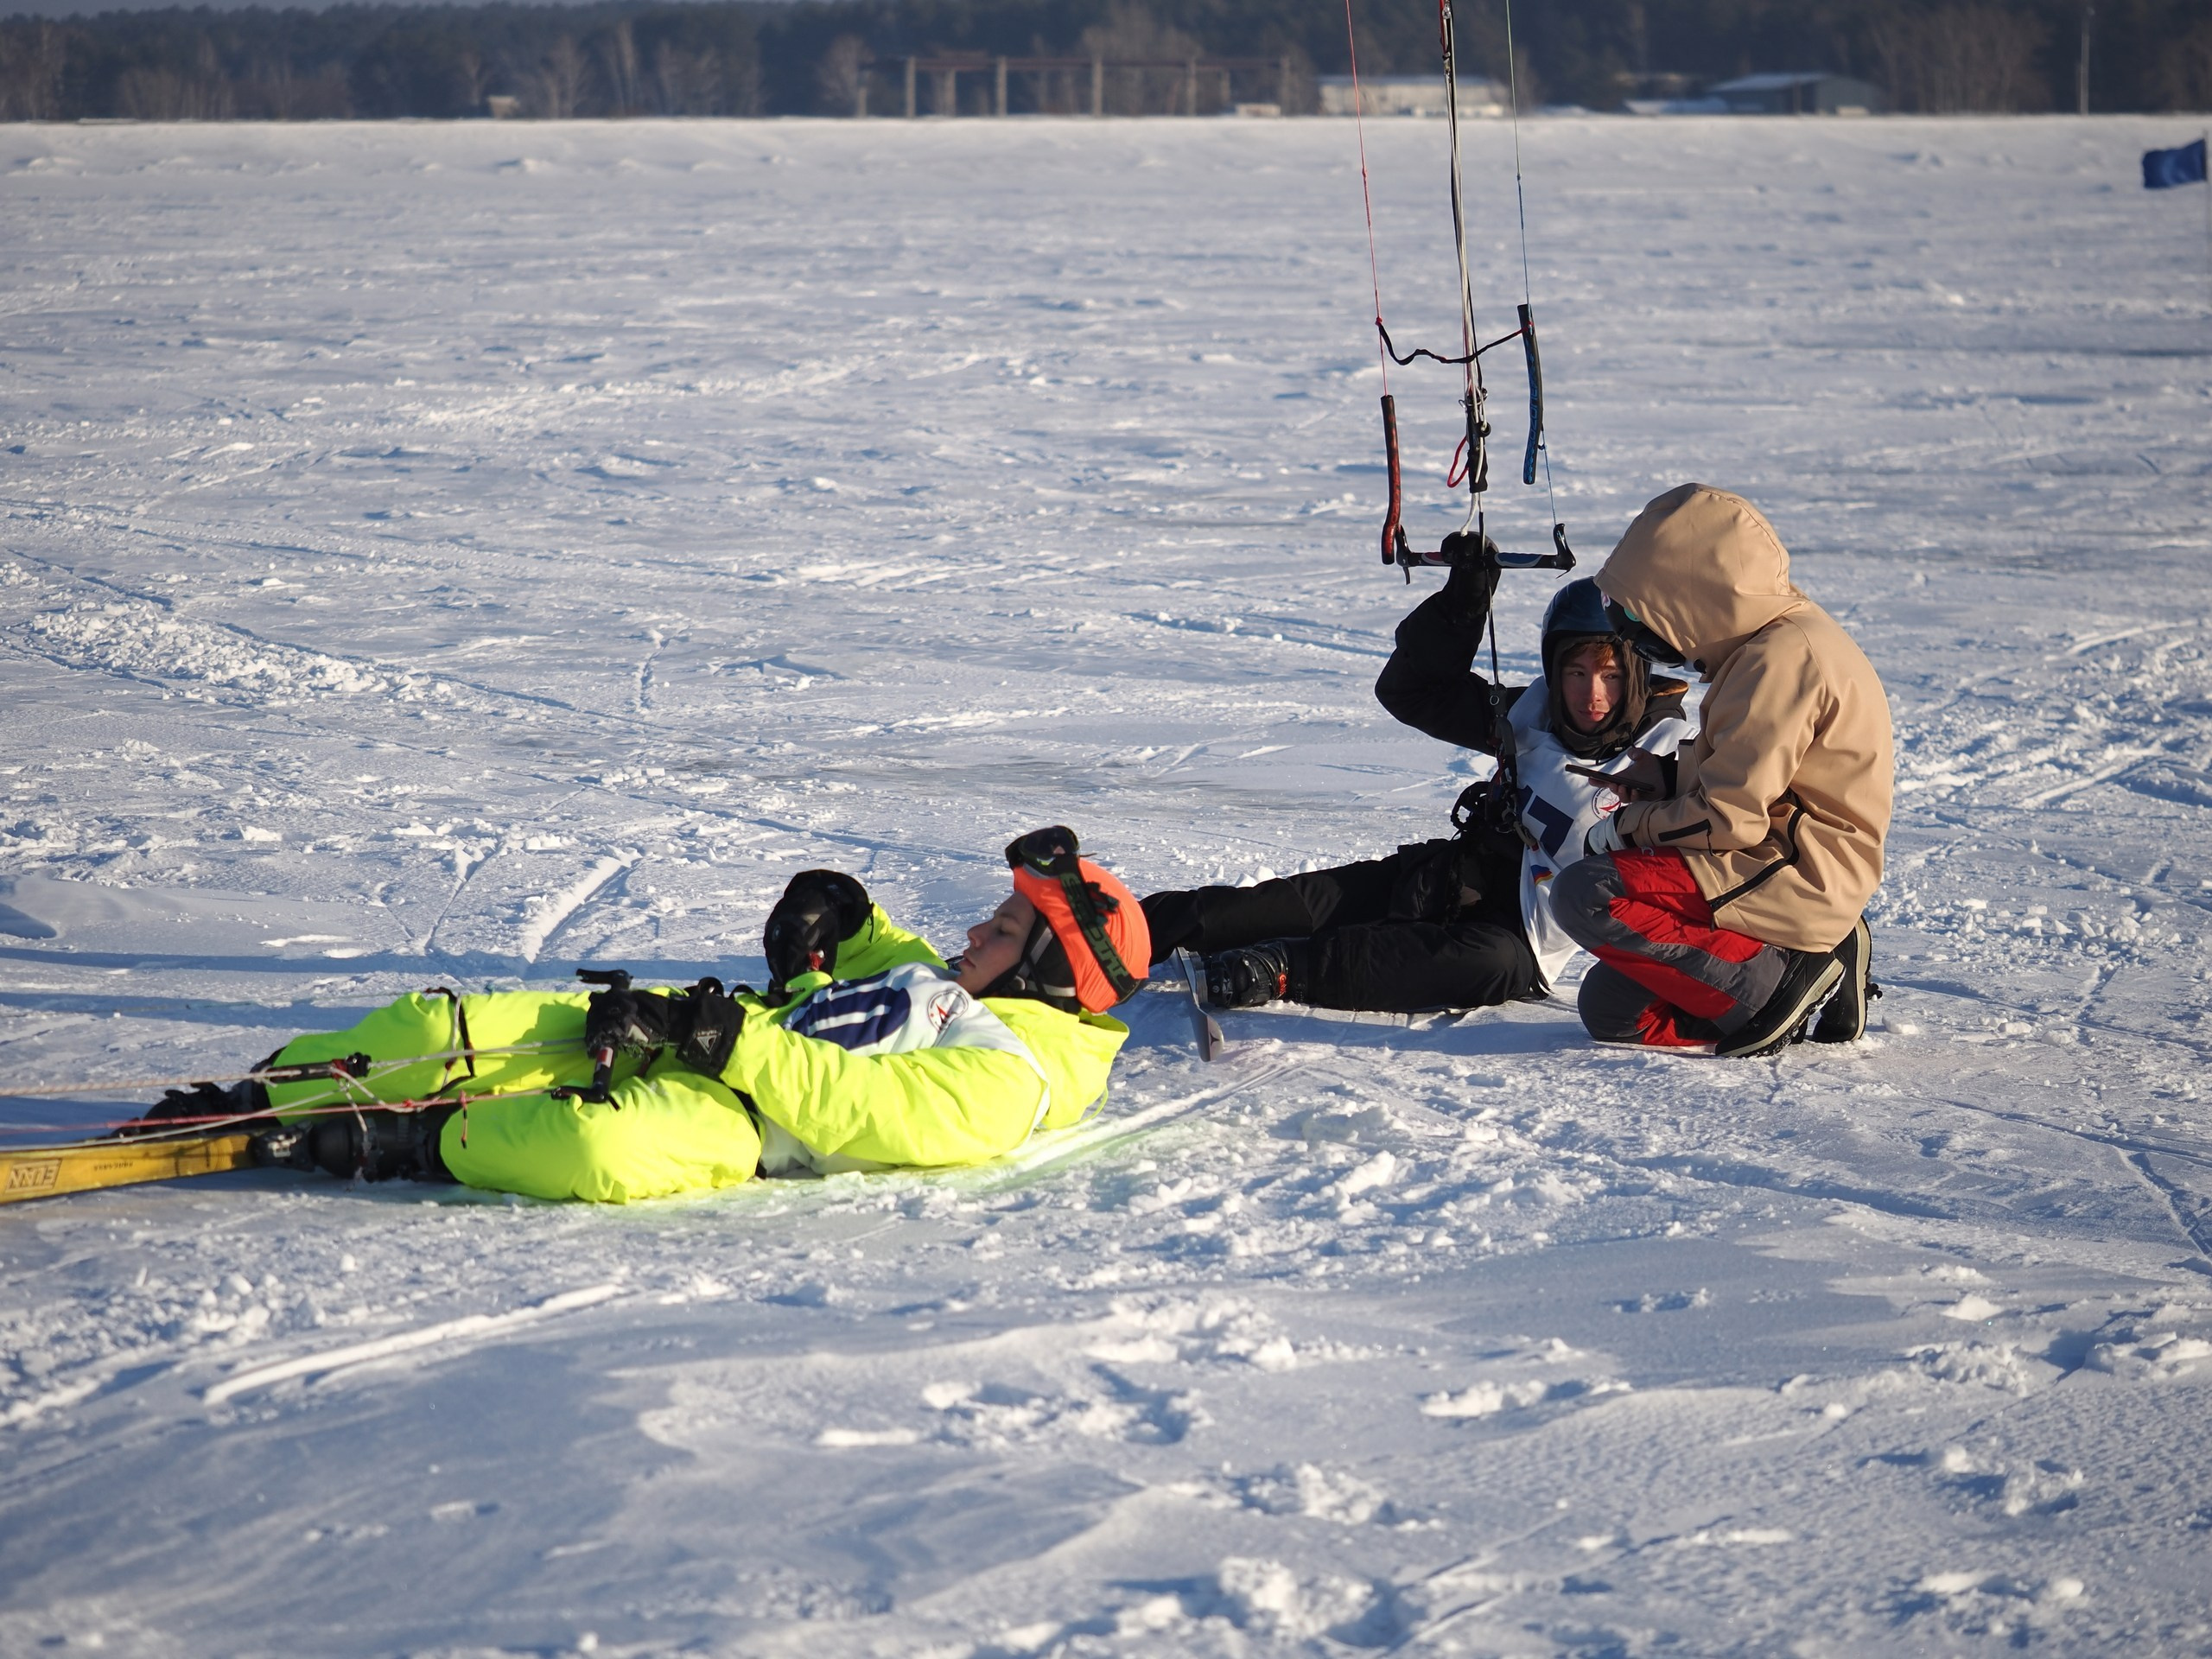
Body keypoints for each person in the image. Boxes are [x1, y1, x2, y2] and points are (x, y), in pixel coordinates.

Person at [133, 829, 1149, 1202]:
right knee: (469, 1025)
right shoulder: (945, 988)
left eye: (1009, 929)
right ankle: (266, 1092)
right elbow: (879, 944)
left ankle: (400, 1142)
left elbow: (865, 1104)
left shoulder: (1012, 1083)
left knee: (600, 1153)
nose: (979, 929)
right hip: (703, 1039)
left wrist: (722, 1041)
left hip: (748, 1121)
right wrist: (833, 905)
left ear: (1050, 978)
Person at [1141, 555, 1694, 1014]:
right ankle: (1116, 923)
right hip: (1437, 881)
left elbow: (1744, 831)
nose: (1591, 695)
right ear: (1554, 669)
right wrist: (1462, 605)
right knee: (1268, 906)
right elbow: (1410, 691)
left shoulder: (1674, 758)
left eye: (1612, 675)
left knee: (1485, 968)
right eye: (1577, 673)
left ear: (1639, 673)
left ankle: (1279, 970)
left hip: (1513, 942)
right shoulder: (1532, 713)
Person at [1548, 483, 1892, 1058]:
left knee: (1587, 894)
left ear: (1688, 595)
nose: (1640, 639)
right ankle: (1811, 958)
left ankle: (1780, 983)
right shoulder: (1766, 644)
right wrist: (1667, 782)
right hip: (1777, 855)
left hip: (1795, 870)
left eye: (1640, 615)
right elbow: (1760, 775)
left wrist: (1627, 827)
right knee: (1612, 1010)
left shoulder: (1780, 661)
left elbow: (1730, 821)